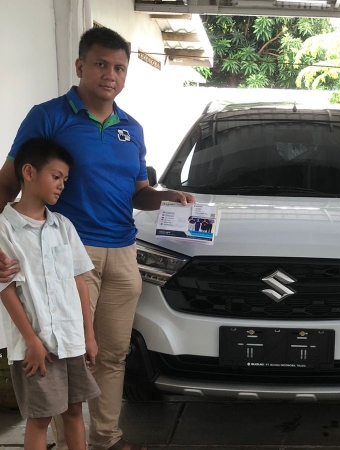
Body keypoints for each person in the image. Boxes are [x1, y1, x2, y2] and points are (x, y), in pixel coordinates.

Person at [0, 27, 194, 450]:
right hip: (66, 253)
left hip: (123, 252)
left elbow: (139, 193)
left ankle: (106, 437)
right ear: (80, 66)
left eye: (120, 68)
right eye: (101, 64)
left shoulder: (132, 129)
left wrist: (166, 199)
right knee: (63, 353)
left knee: (111, 353)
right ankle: (66, 440)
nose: (111, 75)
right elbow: (9, 182)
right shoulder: (48, 116)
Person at [0, 138, 100, 450]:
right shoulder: (5, 228)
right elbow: (6, 289)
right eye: (56, 177)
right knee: (40, 418)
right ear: (29, 172)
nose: (61, 185)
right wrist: (32, 341)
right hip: (36, 344)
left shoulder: (63, 226)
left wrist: (89, 336)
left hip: (71, 340)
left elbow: (79, 282)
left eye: (64, 180)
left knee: (74, 411)